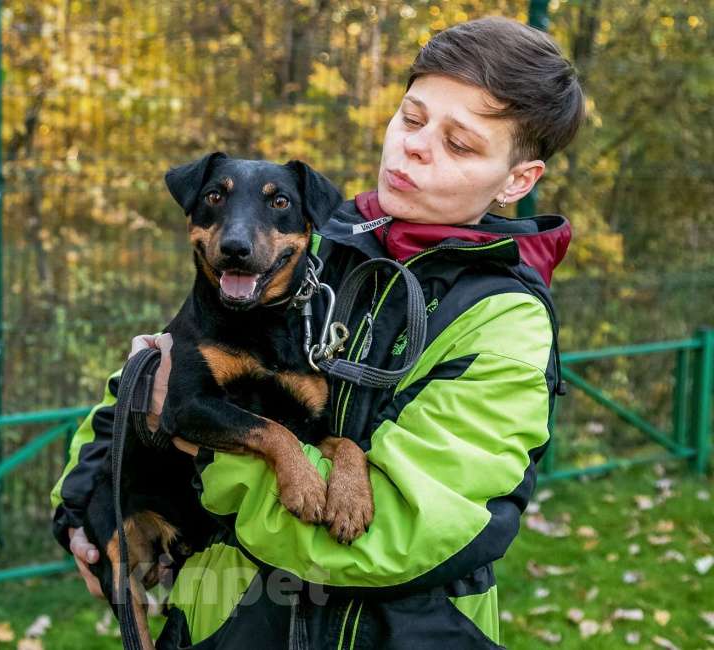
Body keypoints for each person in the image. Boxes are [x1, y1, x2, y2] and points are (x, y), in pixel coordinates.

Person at [51, 16, 584, 649]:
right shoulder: (298, 248)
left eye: (459, 144)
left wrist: (215, 454)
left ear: (518, 180)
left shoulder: (502, 320)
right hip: (225, 625)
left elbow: (393, 537)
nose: (415, 146)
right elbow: (147, 382)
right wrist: (85, 505)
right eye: (411, 119)